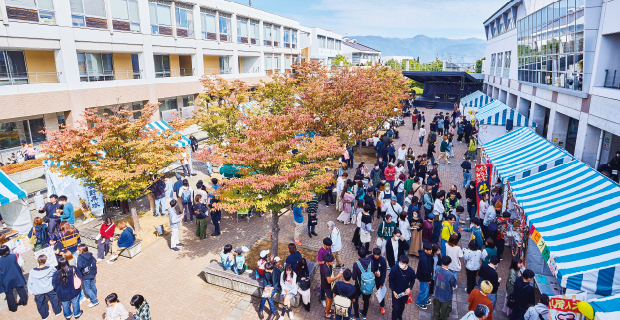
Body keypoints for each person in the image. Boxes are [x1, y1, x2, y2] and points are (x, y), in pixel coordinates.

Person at [29, 254, 62, 319]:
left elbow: (30, 282)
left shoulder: (32, 272)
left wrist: (31, 291)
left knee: (40, 302)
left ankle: (44, 315)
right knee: (54, 299)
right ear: (46, 261)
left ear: (38, 262)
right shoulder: (50, 269)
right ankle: (57, 312)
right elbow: (56, 273)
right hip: (49, 287)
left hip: (38, 290)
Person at [0, 245, 27, 312]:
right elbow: (21, 264)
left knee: (9, 293)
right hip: (16, 275)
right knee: (20, 288)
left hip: (6, 279)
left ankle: (13, 308)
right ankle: (24, 301)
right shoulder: (14, 256)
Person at [388, 255, 416, 320]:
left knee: (402, 306)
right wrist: (393, 291)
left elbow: (413, 280)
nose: (401, 264)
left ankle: (399, 316)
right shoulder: (394, 269)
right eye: (400, 262)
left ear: (406, 264)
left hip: (404, 293)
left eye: (402, 263)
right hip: (396, 292)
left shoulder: (411, 271)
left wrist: (410, 288)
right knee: (395, 308)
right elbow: (390, 280)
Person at [433, 256, 457, 320]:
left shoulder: (437, 269)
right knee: (444, 313)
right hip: (446, 297)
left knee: (436, 311)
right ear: (449, 263)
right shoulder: (450, 275)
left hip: (437, 293)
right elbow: (454, 285)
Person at [351, 248, 372, 320]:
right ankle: (364, 314)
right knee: (366, 300)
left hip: (359, 285)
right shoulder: (371, 261)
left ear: (358, 254)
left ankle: (356, 315)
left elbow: (354, 278)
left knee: (355, 299)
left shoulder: (356, 264)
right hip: (369, 285)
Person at [322, 254, 343, 319]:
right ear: (327, 262)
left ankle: (327, 310)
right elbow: (329, 281)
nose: (333, 262)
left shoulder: (328, 265)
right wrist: (338, 276)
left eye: (333, 261)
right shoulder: (326, 269)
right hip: (328, 286)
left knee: (328, 298)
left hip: (326, 285)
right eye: (331, 262)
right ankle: (327, 314)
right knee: (330, 300)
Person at [416, 242, 434, 309]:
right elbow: (425, 271)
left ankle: (425, 300)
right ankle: (419, 303)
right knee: (424, 291)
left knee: (426, 290)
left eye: (431, 249)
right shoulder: (424, 258)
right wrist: (428, 279)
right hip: (424, 278)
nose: (431, 251)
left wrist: (431, 272)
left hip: (425, 276)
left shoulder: (426, 255)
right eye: (429, 250)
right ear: (425, 250)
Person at [370, 248, 388, 314]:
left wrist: (382, 282)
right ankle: (366, 299)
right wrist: (374, 271)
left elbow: (384, 272)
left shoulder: (383, 260)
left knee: (380, 292)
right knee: (369, 288)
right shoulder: (370, 258)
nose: (376, 256)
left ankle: (382, 306)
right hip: (371, 277)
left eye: (378, 255)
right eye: (375, 255)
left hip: (379, 279)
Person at [318, 238, 333, 307]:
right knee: (323, 285)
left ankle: (327, 294)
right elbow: (319, 262)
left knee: (328, 283)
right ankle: (322, 298)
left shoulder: (329, 248)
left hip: (329, 269)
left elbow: (330, 256)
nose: (329, 247)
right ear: (325, 244)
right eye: (328, 246)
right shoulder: (321, 251)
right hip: (323, 270)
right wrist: (327, 262)